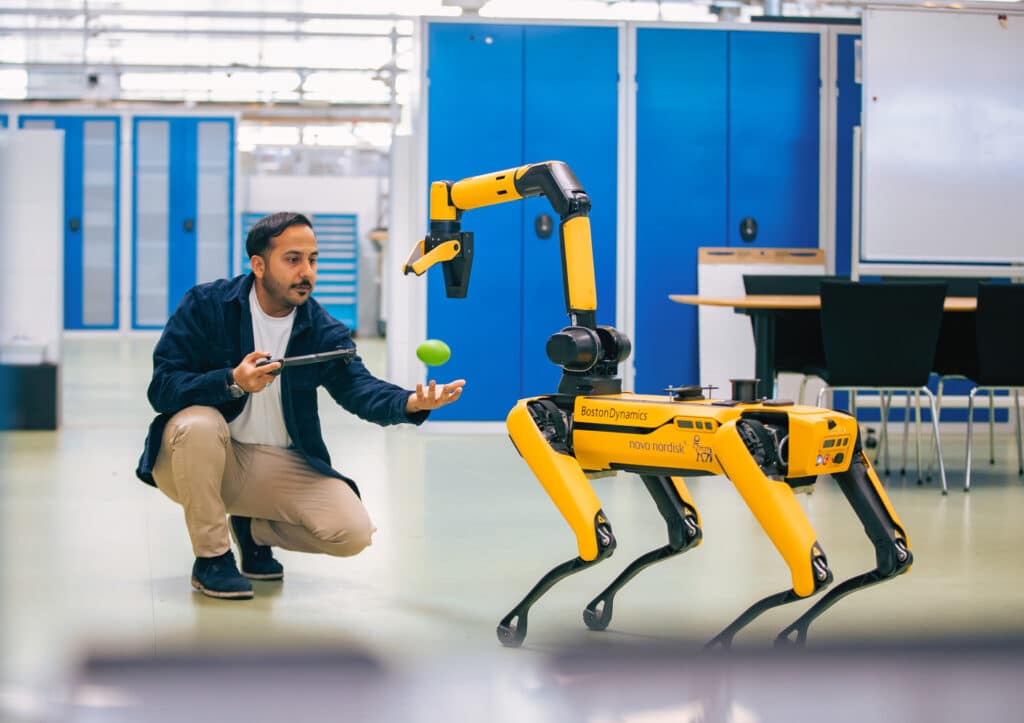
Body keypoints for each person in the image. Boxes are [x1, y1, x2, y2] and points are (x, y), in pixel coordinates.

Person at [135, 212, 465, 600]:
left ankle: (252, 529)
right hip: (193, 459)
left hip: (271, 465)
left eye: (312, 259)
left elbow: (357, 387)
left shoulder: (322, 329)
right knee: (199, 425)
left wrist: (409, 402)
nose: (306, 271)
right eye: (292, 259)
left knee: (352, 533)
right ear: (259, 265)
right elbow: (163, 387)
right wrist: (231, 382)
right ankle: (212, 559)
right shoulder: (207, 305)